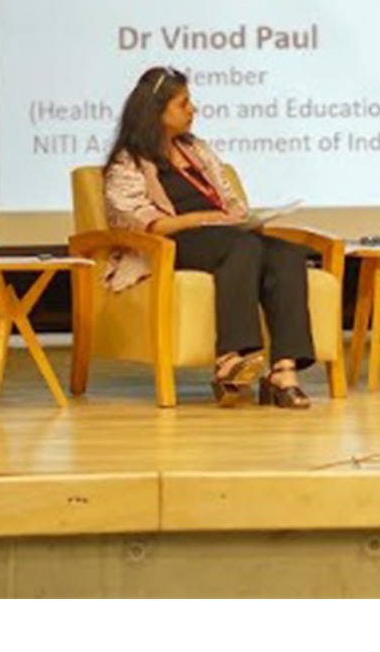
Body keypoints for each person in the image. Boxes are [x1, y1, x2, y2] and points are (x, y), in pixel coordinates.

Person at [102, 66, 318, 407]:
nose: (193, 110)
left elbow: (228, 199)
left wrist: (245, 218)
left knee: (288, 254)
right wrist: (200, 218)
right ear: (156, 112)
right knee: (243, 246)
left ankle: (283, 370)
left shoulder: (196, 149)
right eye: (183, 104)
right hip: (174, 242)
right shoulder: (127, 162)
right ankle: (230, 360)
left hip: (222, 235)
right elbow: (142, 223)